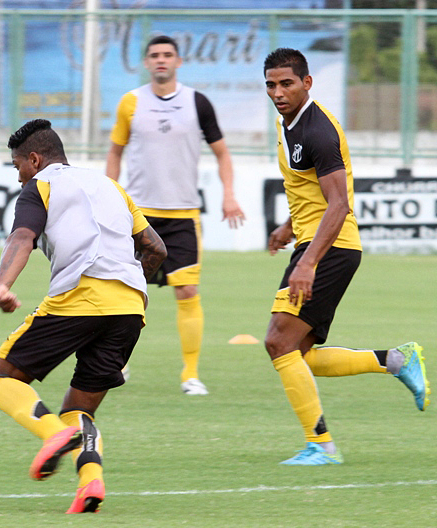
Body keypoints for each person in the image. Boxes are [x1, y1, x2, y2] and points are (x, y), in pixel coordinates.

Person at [0, 119, 166, 513]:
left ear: (34, 159)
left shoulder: (40, 186)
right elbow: (156, 248)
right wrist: (133, 284)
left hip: (80, 296)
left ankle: (53, 436)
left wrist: (3, 284)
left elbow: (22, 237)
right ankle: (90, 485)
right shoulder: (110, 186)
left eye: (18, 168)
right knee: (79, 410)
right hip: (130, 307)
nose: (18, 179)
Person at [263, 47, 429, 465]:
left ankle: (321, 446)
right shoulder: (289, 124)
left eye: (286, 83)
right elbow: (310, 191)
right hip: (314, 242)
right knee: (299, 356)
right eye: (271, 84)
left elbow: (339, 204)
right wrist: (288, 226)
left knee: (278, 341)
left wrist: (307, 263)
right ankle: (396, 360)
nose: (278, 92)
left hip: (330, 248)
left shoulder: (318, 131)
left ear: (307, 83)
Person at [105, 34, 245, 396]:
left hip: (183, 216)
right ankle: (117, 362)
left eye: (168, 55)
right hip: (139, 215)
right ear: (146, 62)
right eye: (154, 55)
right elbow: (116, 153)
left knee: (187, 290)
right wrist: (107, 197)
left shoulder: (197, 103)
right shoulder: (130, 103)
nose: (161, 60)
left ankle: (191, 375)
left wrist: (229, 194)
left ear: (178, 61)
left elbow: (223, 154)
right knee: (125, 292)